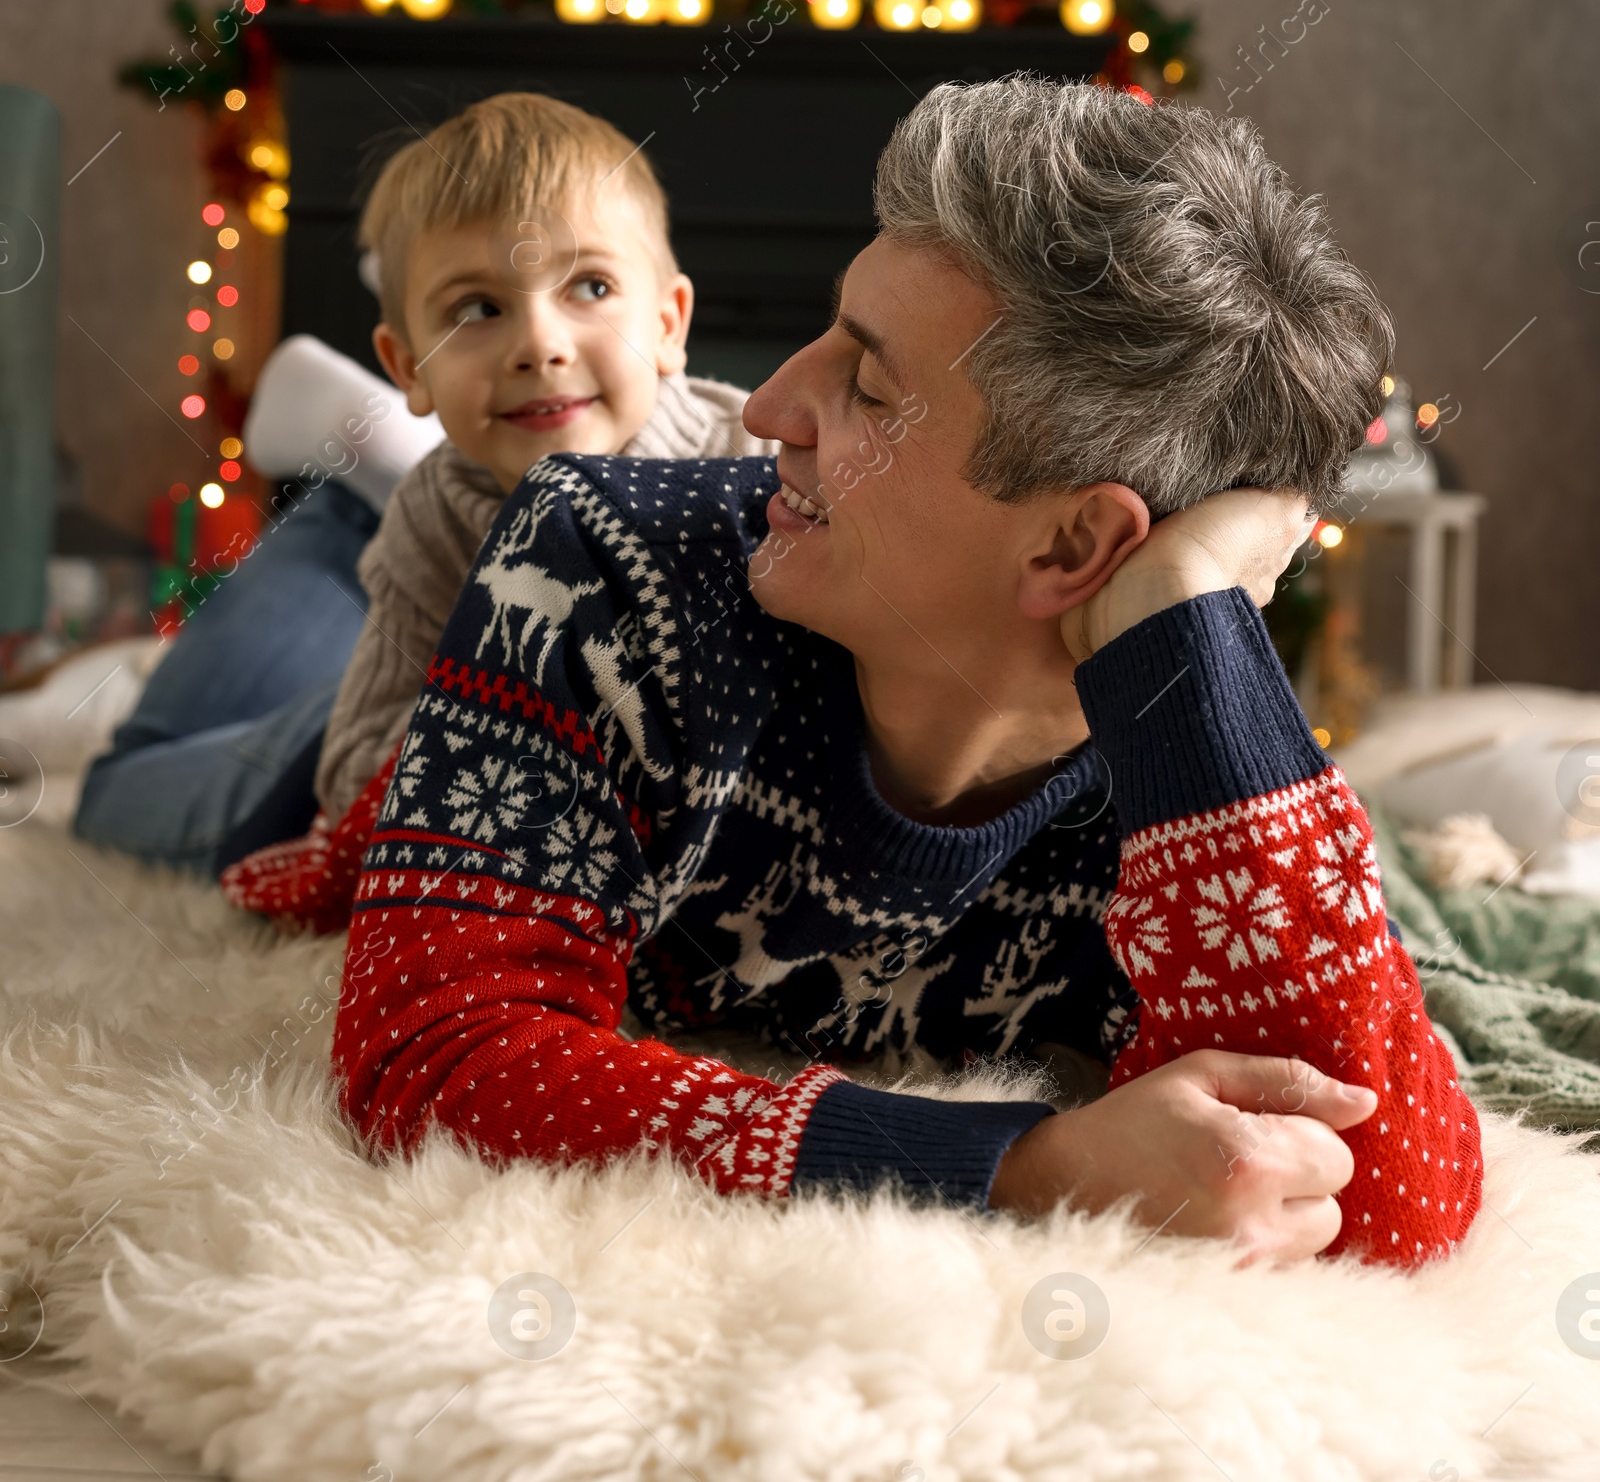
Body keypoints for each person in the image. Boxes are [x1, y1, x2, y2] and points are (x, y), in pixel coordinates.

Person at [329, 75, 1484, 1268]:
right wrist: (1013, 1167)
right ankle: (339, 502)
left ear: (1077, 545)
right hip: (421, 701)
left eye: (868, 385)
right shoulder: (595, 553)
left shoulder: (1181, 751)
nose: (767, 402)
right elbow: (434, 1048)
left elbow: (1387, 1205)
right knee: (225, 772)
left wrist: (1185, 613)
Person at [74, 93, 770, 875]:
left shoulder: (753, 459)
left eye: (592, 288)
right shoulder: (434, 516)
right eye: (478, 307)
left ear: (669, 323)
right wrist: (508, 710)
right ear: (408, 365)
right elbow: (350, 772)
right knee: (111, 803)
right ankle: (371, 470)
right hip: (417, 559)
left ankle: (374, 453)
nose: (540, 344)